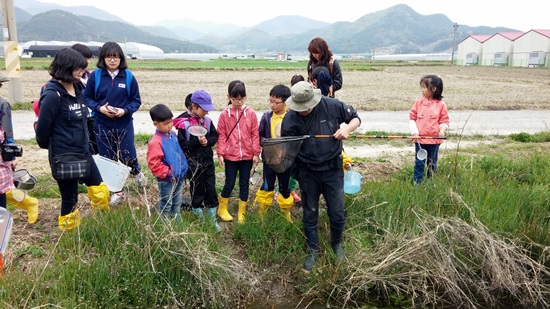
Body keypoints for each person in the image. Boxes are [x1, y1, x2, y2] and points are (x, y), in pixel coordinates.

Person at [281, 81, 361, 272]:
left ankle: (336, 244)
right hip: (307, 172)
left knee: (337, 212)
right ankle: (312, 251)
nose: (303, 111)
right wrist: (296, 174)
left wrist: (346, 130)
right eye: (299, 108)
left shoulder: (332, 105)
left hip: (332, 169)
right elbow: (287, 149)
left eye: (306, 107)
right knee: (310, 212)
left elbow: (356, 119)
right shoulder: (290, 119)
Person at [36, 48, 110, 231]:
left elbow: (86, 119)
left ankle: (104, 227)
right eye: (78, 68)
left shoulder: (79, 88)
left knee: (100, 190)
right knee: (70, 199)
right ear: (65, 67)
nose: (82, 72)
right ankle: (69, 235)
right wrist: (60, 147)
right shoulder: (53, 95)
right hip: (65, 155)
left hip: (84, 151)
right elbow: (42, 134)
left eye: (83, 69)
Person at [84, 41, 147, 207]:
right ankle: (117, 191)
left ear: (121, 59)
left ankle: (136, 171)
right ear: (103, 58)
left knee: (128, 153)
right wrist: (99, 108)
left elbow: (136, 100)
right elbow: (87, 98)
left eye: (116, 57)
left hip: (124, 123)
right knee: (108, 159)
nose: (112, 60)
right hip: (102, 123)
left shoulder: (128, 77)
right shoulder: (96, 76)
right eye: (109, 57)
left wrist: (124, 111)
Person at [173, 90, 221, 232]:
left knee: (211, 189)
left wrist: (208, 142)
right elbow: (182, 145)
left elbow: (215, 135)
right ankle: (199, 216)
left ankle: (212, 219)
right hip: (193, 164)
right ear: (194, 107)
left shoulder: (207, 121)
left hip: (208, 162)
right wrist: (196, 141)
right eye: (204, 109)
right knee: (197, 190)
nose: (206, 112)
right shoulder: (183, 124)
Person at [216, 80, 260, 224]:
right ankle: (222, 208)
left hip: (247, 156)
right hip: (230, 156)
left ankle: (242, 211)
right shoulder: (224, 115)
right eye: (235, 99)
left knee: (244, 183)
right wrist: (221, 154)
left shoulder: (251, 113)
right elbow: (221, 135)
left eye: (242, 98)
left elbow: (255, 134)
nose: (239, 101)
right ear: (229, 96)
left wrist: (256, 153)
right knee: (229, 182)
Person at [0, 73, 39, 224]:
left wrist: (11, 157)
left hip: (2, 156)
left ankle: (29, 203)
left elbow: (8, 131)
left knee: (3, 188)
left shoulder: (2, 104)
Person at [254, 84, 295, 222]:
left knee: (285, 186)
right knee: (267, 184)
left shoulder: (291, 117)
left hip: (286, 160)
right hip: (270, 159)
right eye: (270, 101)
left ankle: (285, 211)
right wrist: (264, 143)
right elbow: (259, 135)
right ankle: (263, 210)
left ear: (285, 103)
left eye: (276, 102)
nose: (272, 105)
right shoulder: (266, 117)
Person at [147, 104, 188, 221]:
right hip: (167, 180)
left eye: (171, 122)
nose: (170, 125)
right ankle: (165, 224)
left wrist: (183, 167)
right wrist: (168, 173)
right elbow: (154, 163)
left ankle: (176, 220)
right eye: (166, 123)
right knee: (167, 203)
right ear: (155, 124)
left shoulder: (173, 135)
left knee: (177, 201)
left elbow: (179, 153)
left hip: (179, 176)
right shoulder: (155, 141)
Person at [409, 75, 449, 184]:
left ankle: (431, 183)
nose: (422, 90)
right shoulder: (418, 103)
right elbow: (412, 119)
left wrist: (442, 130)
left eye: (424, 87)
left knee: (432, 163)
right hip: (420, 141)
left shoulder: (441, 105)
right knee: (419, 162)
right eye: (421, 87)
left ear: (434, 89)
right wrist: (414, 132)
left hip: (434, 141)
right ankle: (417, 183)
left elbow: (444, 121)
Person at [71, 43, 98, 154]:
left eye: (88, 58)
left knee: (96, 144)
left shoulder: (89, 76)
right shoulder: (67, 79)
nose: (88, 62)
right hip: (78, 117)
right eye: (85, 58)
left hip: (91, 115)